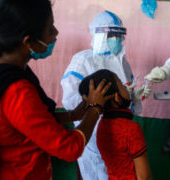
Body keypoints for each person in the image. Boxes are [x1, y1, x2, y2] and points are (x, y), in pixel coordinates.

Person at [0, 0, 113, 179]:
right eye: (50, 28)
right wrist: (94, 108)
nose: (56, 34)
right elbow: (70, 148)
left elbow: (28, 120)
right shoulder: (17, 91)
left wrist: (72, 115)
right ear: (28, 41)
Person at [61, 10, 151, 179]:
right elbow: (71, 100)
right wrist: (95, 109)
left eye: (118, 35)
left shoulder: (123, 62)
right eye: (111, 35)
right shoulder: (83, 60)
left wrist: (134, 97)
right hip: (94, 131)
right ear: (98, 35)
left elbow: (126, 93)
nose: (116, 40)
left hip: (119, 135)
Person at [79, 69, 152, 180]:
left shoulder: (102, 125)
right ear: (116, 98)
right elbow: (144, 176)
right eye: (122, 86)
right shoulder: (131, 128)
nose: (127, 88)